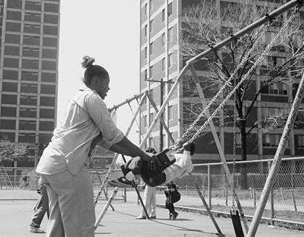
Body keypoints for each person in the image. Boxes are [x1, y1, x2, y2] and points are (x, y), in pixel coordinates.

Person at [36, 56, 159, 237]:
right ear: (97, 81)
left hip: (51, 166)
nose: (108, 89)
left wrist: (137, 156)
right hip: (69, 167)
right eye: (107, 84)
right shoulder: (91, 98)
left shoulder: (78, 99)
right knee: (81, 225)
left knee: (59, 224)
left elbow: (106, 141)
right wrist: (145, 156)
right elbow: (114, 135)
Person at [110, 142, 195, 188]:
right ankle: (128, 177)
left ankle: (129, 178)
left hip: (158, 177)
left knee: (144, 156)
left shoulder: (186, 160)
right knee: (143, 155)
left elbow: (186, 163)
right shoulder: (176, 156)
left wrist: (187, 150)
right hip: (154, 177)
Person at [136, 148, 157, 220]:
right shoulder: (154, 160)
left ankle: (143, 214)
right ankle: (153, 213)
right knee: (152, 199)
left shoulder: (150, 160)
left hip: (150, 181)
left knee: (147, 198)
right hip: (154, 181)